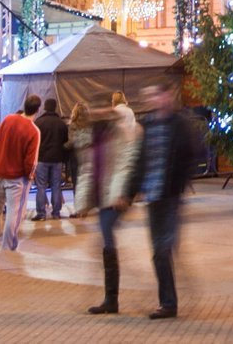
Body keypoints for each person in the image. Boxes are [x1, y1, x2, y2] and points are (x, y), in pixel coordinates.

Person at [128, 80, 205, 318]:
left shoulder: (180, 124)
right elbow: (140, 160)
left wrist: (179, 184)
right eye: (150, 96)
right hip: (152, 196)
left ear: (167, 96)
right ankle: (167, 301)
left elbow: (192, 154)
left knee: (163, 249)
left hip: (170, 196)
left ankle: (169, 304)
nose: (154, 101)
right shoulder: (148, 125)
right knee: (158, 251)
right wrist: (130, 191)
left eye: (157, 95)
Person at [84, 96, 142, 314]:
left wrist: (124, 194)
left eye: (98, 110)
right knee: (105, 243)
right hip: (102, 197)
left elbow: (125, 165)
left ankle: (111, 299)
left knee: (108, 242)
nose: (93, 114)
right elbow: (92, 168)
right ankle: (110, 299)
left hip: (113, 197)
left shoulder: (120, 133)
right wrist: (84, 200)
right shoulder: (98, 135)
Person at [0, 93, 40, 251]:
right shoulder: (34, 131)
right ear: (38, 109)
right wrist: (29, 176)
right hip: (17, 178)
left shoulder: (8, 119)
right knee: (14, 213)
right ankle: (8, 247)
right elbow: (31, 161)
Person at [32, 96, 71, 221]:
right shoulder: (62, 124)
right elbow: (66, 142)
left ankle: (41, 214)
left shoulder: (38, 122)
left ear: (44, 107)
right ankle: (56, 213)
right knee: (56, 186)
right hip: (57, 159)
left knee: (41, 186)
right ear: (55, 108)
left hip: (42, 159)